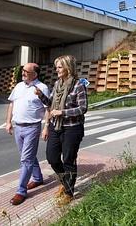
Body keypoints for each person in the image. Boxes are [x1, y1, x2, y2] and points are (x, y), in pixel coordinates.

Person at [35, 55, 87, 206]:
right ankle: (65, 183)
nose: (56, 69)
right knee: (52, 158)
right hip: (56, 126)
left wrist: (62, 112)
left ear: (68, 68)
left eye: (59, 67)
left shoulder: (78, 85)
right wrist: (41, 96)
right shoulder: (57, 84)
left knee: (69, 160)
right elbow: (51, 104)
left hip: (72, 128)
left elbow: (83, 108)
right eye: (56, 66)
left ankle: (69, 192)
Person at [5, 63, 49, 206]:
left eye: (26, 71)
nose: (23, 73)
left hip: (32, 127)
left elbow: (48, 108)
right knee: (27, 156)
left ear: (35, 74)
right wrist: (8, 122)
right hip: (18, 127)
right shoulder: (18, 86)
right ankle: (37, 178)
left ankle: (21, 191)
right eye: (23, 71)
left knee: (26, 159)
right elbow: (11, 104)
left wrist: (46, 127)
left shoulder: (42, 88)